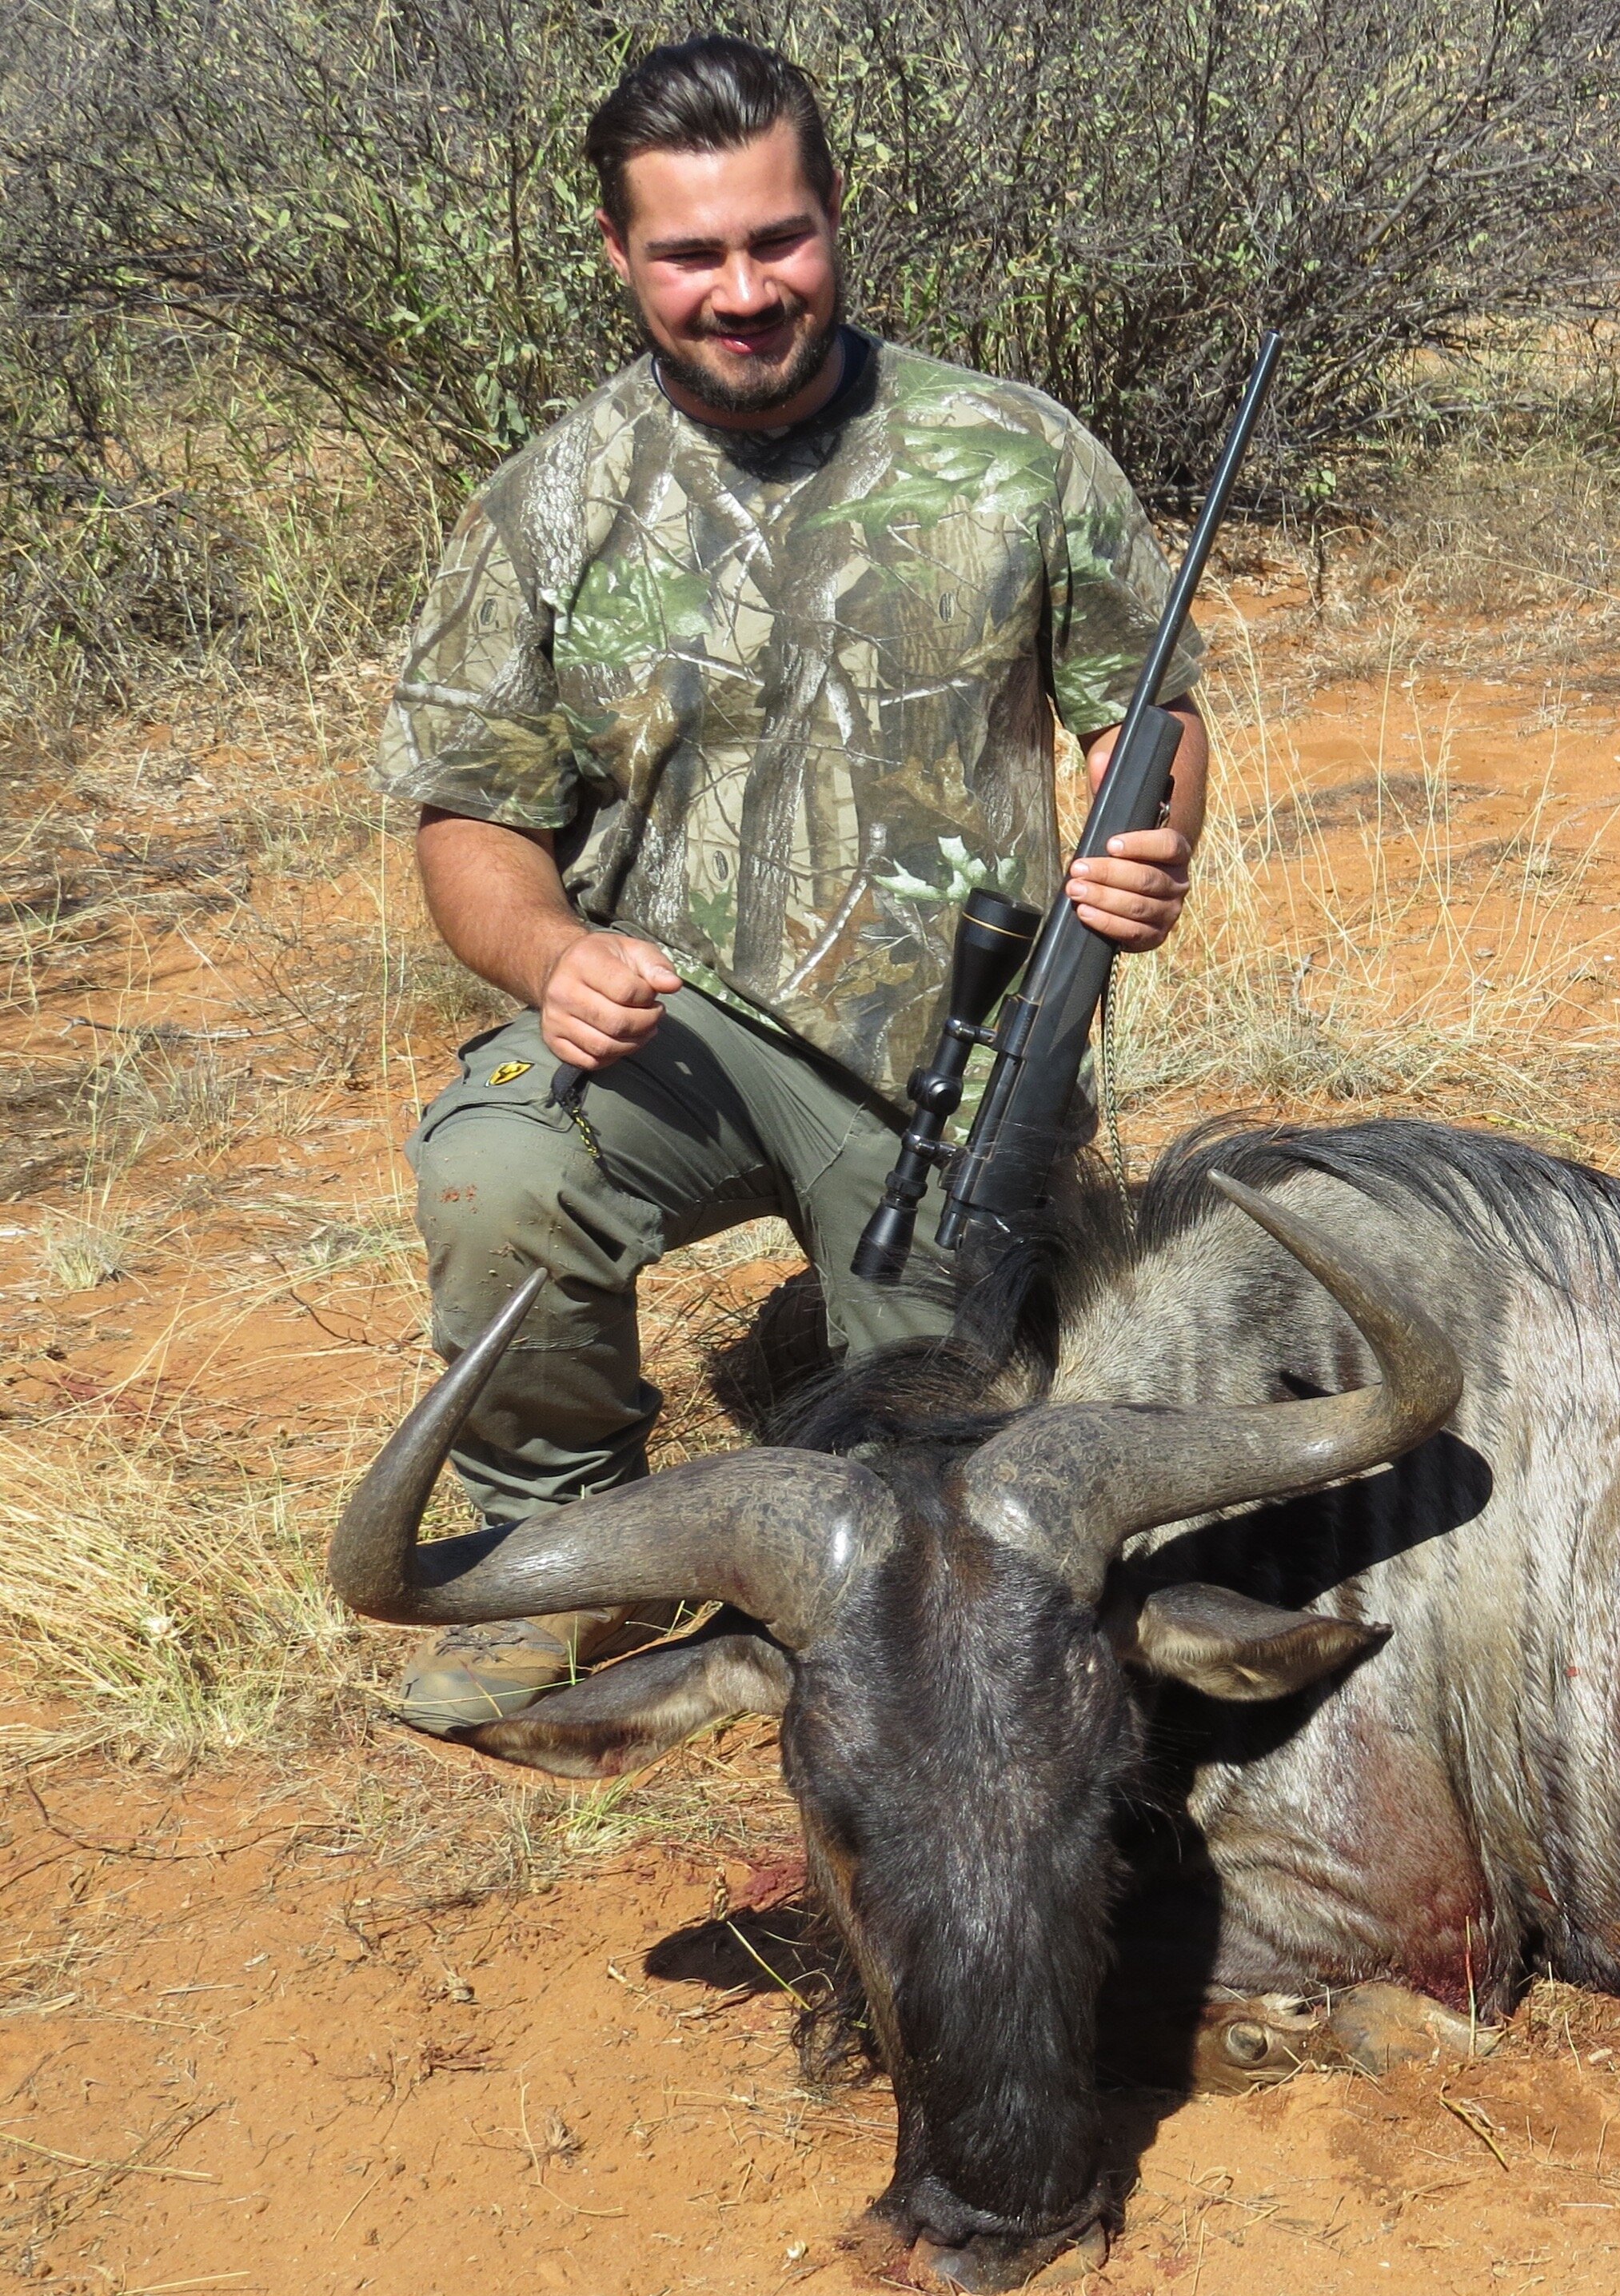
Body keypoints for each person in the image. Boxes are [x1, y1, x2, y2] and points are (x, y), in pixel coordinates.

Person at [376, 34, 1210, 1732]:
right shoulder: (546, 502)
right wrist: (548, 955)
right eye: (692, 254)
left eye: (779, 240)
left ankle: (862, 1333)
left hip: (948, 1066)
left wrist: (1149, 849)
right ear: (620, 259)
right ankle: (576, 1554)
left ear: (835, 218)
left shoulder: (1014, 449)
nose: (742, 291)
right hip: (673, 1033)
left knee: (972, 1491)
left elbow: (1151, 709)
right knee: (494, 1167)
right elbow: (469, 817)